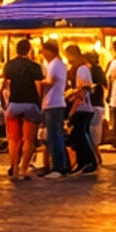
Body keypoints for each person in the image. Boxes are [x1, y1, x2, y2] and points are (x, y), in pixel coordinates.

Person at [2, 35, 45, 179]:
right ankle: (23, 169)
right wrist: (39, 103)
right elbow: (38, 86)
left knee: (14, 139)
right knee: (29, 140)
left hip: (14, 104)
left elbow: (5, 83)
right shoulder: (35, 66)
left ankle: (13, 168)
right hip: (31, 103)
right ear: (29, 50)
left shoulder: (9, 65)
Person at [66, 43, 102, 175]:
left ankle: (90, 161)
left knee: (81, 134)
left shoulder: (81, 69)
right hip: (83, 106)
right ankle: (82, 162)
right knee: (80, 135)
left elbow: (83, 87)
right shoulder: (83, 68)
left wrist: (72, 96)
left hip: (82, 106)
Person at [41, 37, 71, 177]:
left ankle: (58, 167)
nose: (42, 53)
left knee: (54, 136)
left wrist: (36, 82)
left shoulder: (54, 64)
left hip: (53, 103)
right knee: (55, 135)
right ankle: (63, 165)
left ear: (49, 51)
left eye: (44, 50)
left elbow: (49, 82)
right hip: (54, 103)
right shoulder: (58, 64)